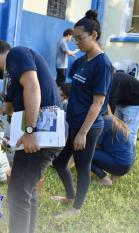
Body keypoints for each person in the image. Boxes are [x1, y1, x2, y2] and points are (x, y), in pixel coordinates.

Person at [0, 40, 62, 233]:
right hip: (35, 137)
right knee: (27, 192)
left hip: (38, 135)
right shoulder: (10, 79)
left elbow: (33, 87)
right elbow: (3, 114)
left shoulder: (16, 55)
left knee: (18, 194)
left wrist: (30, 130)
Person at [52, 10, 112, 219]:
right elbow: (72, 90)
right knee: (59, 162)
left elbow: (98, 102)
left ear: (94, 35)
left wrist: (82, 132)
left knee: (82, 166)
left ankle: (76, 209)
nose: (76, 42)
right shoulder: (80, 61)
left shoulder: (103, 64)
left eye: (80, 38)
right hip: (73, 121)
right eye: (75, 38)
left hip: (89, 126)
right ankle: (70, 196)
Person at [91, 106, 135, 186]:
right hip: (128, 164)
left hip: (120, 164)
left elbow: (92, 145)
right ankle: (116, 174)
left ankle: (104, 179)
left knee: (83, 153)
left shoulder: (104, 121)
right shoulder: (114, 120)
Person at [108, 71, 139, 144]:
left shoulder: (113, 83)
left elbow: (109, 114)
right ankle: (115, 147)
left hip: (137, 100)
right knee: (116, 127)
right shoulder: (107, 80)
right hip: (123, 99)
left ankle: (129, 153)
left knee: (130, 129)